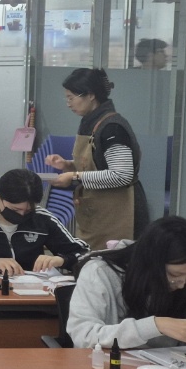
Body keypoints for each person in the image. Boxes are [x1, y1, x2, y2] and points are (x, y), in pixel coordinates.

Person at [66, 215, 186, 349]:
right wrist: (154, 326)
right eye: (175, 274)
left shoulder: (184, 279)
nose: (182, 284)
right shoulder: (100, 272)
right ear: (151, 262)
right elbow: (83, 336)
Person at [43, 67, 149, 250]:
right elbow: (98, 164)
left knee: (113, 262)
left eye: (71, 97)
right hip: (97, 209)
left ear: (91, 95)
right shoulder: (90, 122)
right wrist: (67, 165)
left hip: (119, 212)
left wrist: (74, 176)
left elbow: (122, 175)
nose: (68, 104)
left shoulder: (112, 128)